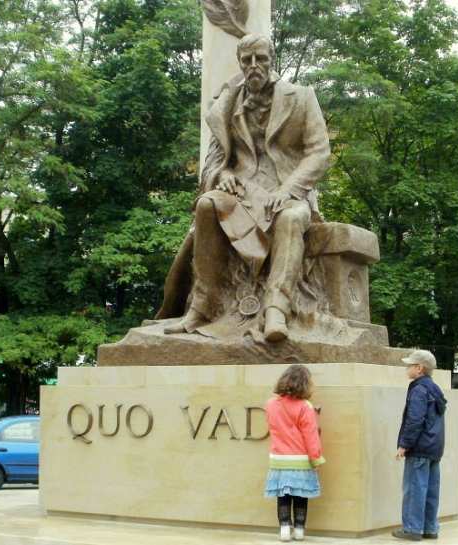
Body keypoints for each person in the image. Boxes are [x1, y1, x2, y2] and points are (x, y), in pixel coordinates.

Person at [160, 33, 331, 341]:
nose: (254, 65)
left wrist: (289, 189)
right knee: (207, 204)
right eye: (247, 60)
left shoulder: (302, 97)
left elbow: (319, 153)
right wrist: (222, 173)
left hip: (286, 192)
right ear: (240, 63)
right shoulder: (227, 104)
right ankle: (202, 307)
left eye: (261, 58)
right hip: (241, 193)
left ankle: (276, 309)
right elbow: (213, 160)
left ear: (272, 59)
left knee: (291, 219)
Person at [264, 364, 325, 541]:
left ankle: (284, 528)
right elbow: (311, 436)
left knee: (283, 495)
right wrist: (316, 459)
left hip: (279, 459)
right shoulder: (305, 406)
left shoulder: (270, 404)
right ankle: (299, 530)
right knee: (300, 496)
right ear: (305, 383)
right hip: (300, 460)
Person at [393, 350, 447, 541]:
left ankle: (412, 529)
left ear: (419, 368)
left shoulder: (418, 389)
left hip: (420, 448)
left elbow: (415, 419)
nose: (407, 368)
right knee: (431, 490)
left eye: (410, 365)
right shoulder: (435, 389)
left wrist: (404, 444)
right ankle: (430, 528)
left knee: (415, 489)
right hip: (434, 448)